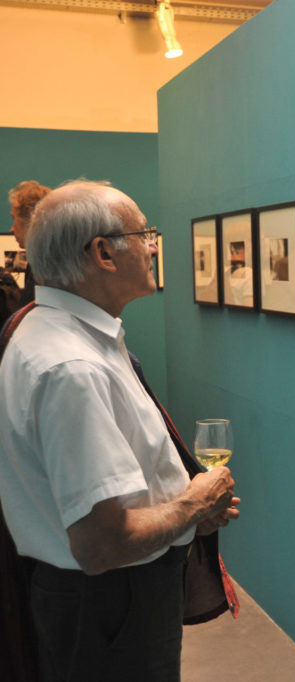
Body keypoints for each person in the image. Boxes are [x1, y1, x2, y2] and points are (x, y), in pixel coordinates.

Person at [0, 180, 240, 681]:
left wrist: (183, 515)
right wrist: (193, 504)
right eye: (144, 234)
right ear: (103, 253)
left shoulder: (54, 331)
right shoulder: (72, 367)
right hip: (113, 604)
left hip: (97, 601)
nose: (153, 247)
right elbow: (101, 544)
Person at [7, 180, 52, 307]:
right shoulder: (41, 261)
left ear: (31, 221)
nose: (12, 229)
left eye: (14, 218)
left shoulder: (44, 268)